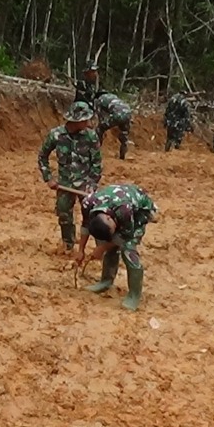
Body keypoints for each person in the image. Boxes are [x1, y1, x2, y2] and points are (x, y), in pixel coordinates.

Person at [74, 183, 158, 311]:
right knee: (108, 244)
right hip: (117, 208)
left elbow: (125, 235)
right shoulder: (88, 204)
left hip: (139, 212)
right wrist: (81, 250)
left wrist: (102, 249)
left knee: (128, 250)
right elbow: (85, 226)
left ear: (109, 218)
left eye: (113, 229)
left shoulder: (124, 210)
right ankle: (106, 281)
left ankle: (134, 294)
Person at [39, 101, 102, 252]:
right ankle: (68, 246)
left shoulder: (91, 136)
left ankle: (100, 247)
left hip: (85, 184)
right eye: (85, 120)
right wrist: (49, 178)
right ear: (76, 120)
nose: (88, 122)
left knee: (94, 216)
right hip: (65, 183)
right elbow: (42, 157)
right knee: (64, 215)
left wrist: (92, 184)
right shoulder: (56, 135)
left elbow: (97, 163)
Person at [94, 92, 133, 160]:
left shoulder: (100, 99)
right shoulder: (113, 96)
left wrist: (102, 124)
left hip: (117, 114)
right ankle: (122, 157)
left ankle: (96, 151)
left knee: (99, 129)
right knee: (124, 136)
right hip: (128, 113)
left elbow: (100, 115)